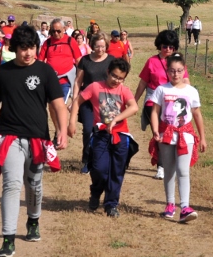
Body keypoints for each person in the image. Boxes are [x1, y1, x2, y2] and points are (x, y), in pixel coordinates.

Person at [0, 24, 68, 257]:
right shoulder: (2, 73)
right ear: (13, 48)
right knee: (11, 184)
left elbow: (58, 105)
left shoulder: (46, 72)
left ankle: (33, 220)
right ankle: (8, 239)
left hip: (38, 138)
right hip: (9, 136)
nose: (28, 53)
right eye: (23, 48)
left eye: (31, 48)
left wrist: (61, 130)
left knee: (34, 185)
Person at [68, 58, 138, 217]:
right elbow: (77, 102)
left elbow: (134, 107)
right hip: (100, 135)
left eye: (121, 78)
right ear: (107, 72)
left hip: (120, 136)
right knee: (99, 169)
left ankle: (111, 204)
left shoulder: (123, 90)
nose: (116, 80)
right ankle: (96, 191)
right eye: (114, 76)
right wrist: (72, 122)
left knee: (116, 171)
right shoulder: (95, 87)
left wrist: (116, 119)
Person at [150, 53, 206, 223]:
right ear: (167, 71)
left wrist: (202, 137)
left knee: (183, 171)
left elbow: (196, 114)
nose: (176, 74)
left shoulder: (191, 91)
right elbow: (155, 111)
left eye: (179, 71)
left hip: (185, 135)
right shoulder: (162, 89)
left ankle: (185, 206)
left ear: (184, 71)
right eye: (172, 71)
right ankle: (170, 204)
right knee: (169, 171)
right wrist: (155, 131)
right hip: (166, 135)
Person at [133, 30, 189, 180]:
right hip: (154, 100)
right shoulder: (152, 61)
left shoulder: (178, 63)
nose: (168, 50)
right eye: (165, 46)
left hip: (173, 102)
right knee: (159, 134)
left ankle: (175, 163)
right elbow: (142, 83)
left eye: (172, 47)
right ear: (159, 46)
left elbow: (186, 81)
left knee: (175, 133)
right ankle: (161, 167)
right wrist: (134, 102)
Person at [72, 32, 112, 174]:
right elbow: (78, 81)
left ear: (106, 46)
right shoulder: (85, 60)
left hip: (106, 102)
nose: (100, 49)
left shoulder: (111, 61)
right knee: (88, 130)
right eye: (97, 46)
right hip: (87, 101)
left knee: (106, 131)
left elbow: (118, 81)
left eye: (102, 46)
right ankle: (87, 160)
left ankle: (103, 159)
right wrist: (75, 99)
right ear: (92, 46)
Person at [38, 19, 80, 102]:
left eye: (58, 31)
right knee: (52, 106)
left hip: (66, 80)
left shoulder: (70, 41)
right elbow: (40, 61)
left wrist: (80, 78)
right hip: (50, 80)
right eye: (53, 31)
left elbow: (78, 60)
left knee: (61, 106)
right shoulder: (47, 42)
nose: (56, 33)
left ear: (64, 29)